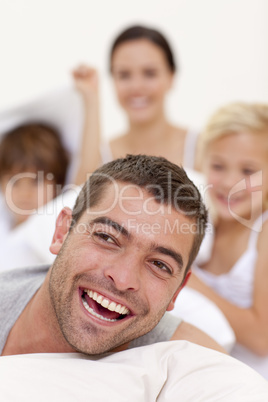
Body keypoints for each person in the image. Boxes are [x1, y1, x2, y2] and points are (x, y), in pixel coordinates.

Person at [0, 154, 229, 356]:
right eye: (107, 238)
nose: (123, 279)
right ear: (61, 233)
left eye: (159, 264)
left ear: (177, 290)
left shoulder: (195, 363)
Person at [188, 102, 268, 379]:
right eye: (218, 166)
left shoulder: (263, 232)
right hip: (204, 374)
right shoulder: (203, 221)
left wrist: (189, 281)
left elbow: (261, 339)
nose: (230, 182)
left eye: (248, 171)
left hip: (254, 381)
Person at [73, 25, 200, 185]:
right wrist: (91, 99)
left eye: (149, 73)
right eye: (124, 75)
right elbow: (77, 201)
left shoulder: (201, 149)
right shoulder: (99, 158)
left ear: (171, 76)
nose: (136, 86)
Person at [0, 123, 69, 229]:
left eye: (36, 181)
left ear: (57, 183)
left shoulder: (57, 222)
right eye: (14, 181)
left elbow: (86, 169)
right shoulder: (4, 227)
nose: (25, 193)